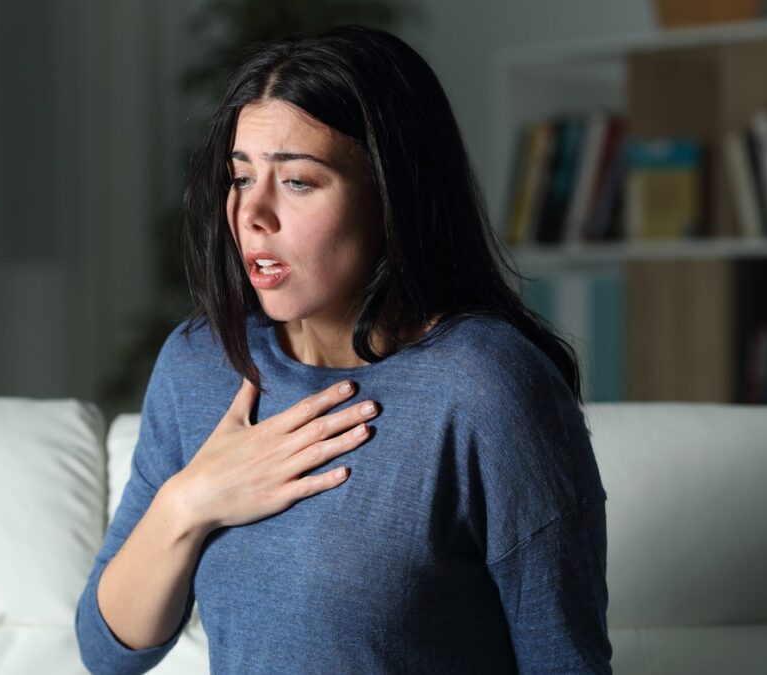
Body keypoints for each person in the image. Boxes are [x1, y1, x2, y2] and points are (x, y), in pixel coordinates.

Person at [76, 24, 611, 674]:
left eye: (298, 181)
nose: (253, 214)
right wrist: (192, 500)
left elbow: (566, 664)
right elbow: (108, 650)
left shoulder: (487, 387)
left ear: (392, 194)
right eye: (240, 178)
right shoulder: (201, 362)